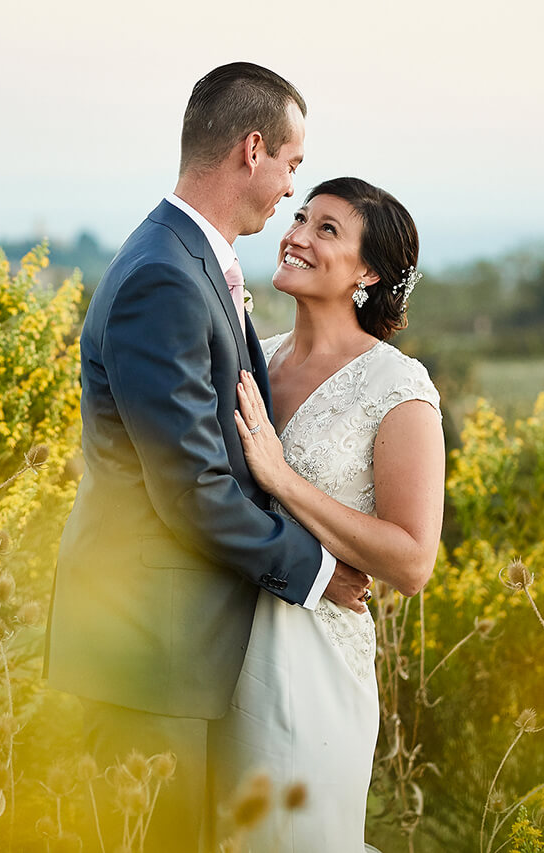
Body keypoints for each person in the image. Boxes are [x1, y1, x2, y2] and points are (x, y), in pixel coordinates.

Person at [44, 62, 370, 851]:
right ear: (251, 150)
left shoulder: (186, 259)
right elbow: (192, 489)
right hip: (147, 653)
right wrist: (322, 570)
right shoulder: (164, 275)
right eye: (293, 163)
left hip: (178, 649)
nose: (294, 186)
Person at [215, 176, 443, 850]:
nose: (297, 236)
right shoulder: (259, 354)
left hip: (314, 666)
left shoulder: (397, 387)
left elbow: (412, 560)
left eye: (327, 230)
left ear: (367, 272)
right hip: (221, 650)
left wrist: (283, 479)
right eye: (300, 217)